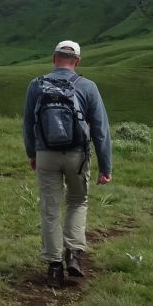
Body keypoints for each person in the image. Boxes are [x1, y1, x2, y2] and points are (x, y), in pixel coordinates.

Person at [22, 40, 112, 287]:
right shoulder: (88, 87)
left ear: (54, 58)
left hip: (46, 154)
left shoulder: (36, 85)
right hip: (77, 155)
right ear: (77, 61)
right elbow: (101, 130)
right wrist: (106, 167)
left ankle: (53, 267)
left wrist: (32, 153)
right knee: (77, 201)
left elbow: (28, 123)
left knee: (50, 209)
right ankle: (73, 254)